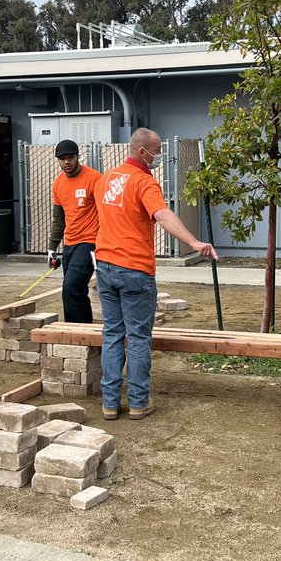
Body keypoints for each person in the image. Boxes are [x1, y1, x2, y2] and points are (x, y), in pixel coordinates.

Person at [92, 128, 217, 421]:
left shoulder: (105, 178)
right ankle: (138, 402)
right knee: (137, 337)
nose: (159, 155)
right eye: (157, 150)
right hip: (134, 268)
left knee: (112, 334)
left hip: (106, 266)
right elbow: (162, 215)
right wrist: (195, 242)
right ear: (142, 151)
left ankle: (110, 403)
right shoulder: (144, 182)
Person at [47, 139, 101, 323]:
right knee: (75, 291)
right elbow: (59, 219)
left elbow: (106, 211)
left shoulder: (94, 178)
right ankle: (85, 330)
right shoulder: (58, 184)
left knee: (71, 287)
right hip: (69, 244)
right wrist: (51, 248)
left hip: (89, 242)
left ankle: (73, 332)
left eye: (70, 157)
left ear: (78, 157)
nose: (66, 162)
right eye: (62, 159)